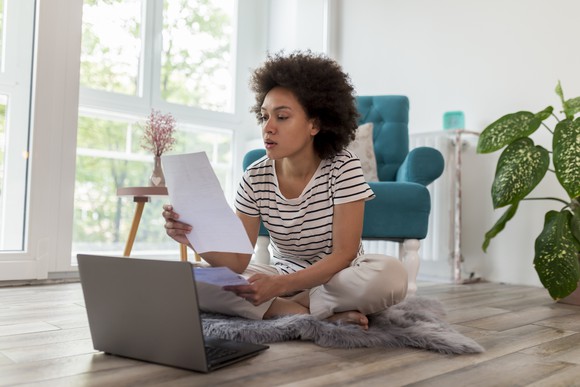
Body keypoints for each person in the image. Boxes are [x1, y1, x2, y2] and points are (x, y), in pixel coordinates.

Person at [162, 51, 408, 330]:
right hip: (280, 274)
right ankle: (312, 314)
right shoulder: (254, 176)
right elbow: (238, 260)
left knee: (391, 275)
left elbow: (344, 254)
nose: (268, 128)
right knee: (193, 279)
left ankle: (289, 306)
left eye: (281, 117)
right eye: (265, 116)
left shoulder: (343, 167)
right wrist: (194, 238)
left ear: (314, 124)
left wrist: (278, 286)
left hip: (337, 278)